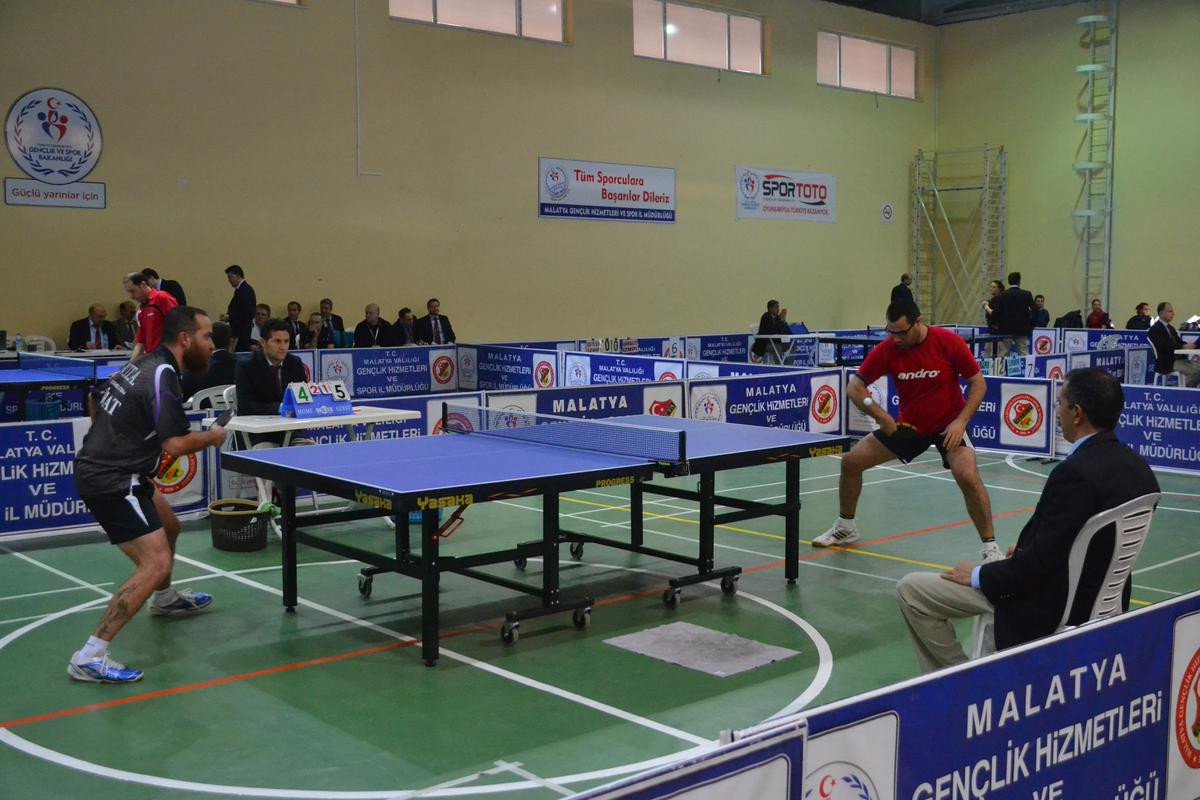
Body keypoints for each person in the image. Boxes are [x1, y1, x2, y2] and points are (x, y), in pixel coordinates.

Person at [896, 368, 1159, 673]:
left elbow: (1036, 568)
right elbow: (1077, 543)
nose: (1057, 412)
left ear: (1077, 413)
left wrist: (980, 574)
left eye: (1060, 403)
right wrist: (1025, 551)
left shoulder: (1074, 474)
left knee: (912, 591)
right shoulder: (1140, 471)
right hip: (1105, 604)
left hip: (1050, 608)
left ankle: (959, 680)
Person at [68, 307, 228, 683]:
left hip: (122, 471)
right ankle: (89, 655)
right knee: (154, 563)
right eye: (207, 336)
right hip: (112, 479)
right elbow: (175, 443)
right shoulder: (161, 373)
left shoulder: (142, 363)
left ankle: (165, 598)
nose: (212, 345)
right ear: (185, 339)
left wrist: (119, 438)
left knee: (170, 527)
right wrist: (213, 437)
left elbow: (96, 400)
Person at [814, 299, 1001, 564]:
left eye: (901, 332)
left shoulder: (948, 342)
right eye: (891, 332)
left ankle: (991, 548)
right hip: (909, 429)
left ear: (917, 322)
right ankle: (846, 527)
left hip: (949, 425)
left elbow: (978, 383)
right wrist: (882, 417)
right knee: (851, 463)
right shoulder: (888, 349)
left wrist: (961, 422)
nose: (896, 338)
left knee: (967, 476)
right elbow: (854, 389)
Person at [235, 319, 310, 445]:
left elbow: (302, 399)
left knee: (308, 449)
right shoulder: (246, 366)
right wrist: (282, 407)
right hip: (258, 433)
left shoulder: (295, 363)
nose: (283, 347)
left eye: (286, 341)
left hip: (290, 431)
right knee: (266, 450)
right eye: (277, 341)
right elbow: (246, 406)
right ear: (262, 342)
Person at [125, 271, 179, 360]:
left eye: (133, 291)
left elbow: (179, 327)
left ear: (143, 285)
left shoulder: (162, 298)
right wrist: (129, 366)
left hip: (168, 358)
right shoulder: (142, 309)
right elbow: (140, 342)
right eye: (129, 292)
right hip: (153, 359)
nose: (131, 296)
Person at [1148, 302, 1200, 387]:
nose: (1173, 314)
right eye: (1170, 311)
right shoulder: (1155, 329)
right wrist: (1183, 346)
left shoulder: (1170, 328)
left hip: (1178, 360)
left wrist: (1187, 345)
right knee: (1195, 372)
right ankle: (1177, 390)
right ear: (1161, 313)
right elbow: (1165, 346)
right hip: (1167, 362)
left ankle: (1178, 388)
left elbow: (1179, 342)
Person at [181, 321, 237, 400]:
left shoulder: (195, 368)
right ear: (231, 342)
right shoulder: (243, 368)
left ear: (209, 341)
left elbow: (184, 397)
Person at [991, 271, 1034, 356]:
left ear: (1008, 281)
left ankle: (1002, 365)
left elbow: (997, 312)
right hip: (1022, 329)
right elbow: (1035, 311)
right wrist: (1031, 325)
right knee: (1024, 353)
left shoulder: (1002, 295)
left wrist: (997, 325)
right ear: (1019, 281)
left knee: (1003, 354)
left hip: (1005, 330)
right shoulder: (1026, 294)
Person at [224, 264, 257, 352]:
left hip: (242, 332)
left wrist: (229, 317)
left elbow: (247, 312)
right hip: (239, 331)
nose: (229, 280)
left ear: (238, 275)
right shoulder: (241, 290)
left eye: (230, 277)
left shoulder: (245, 290)